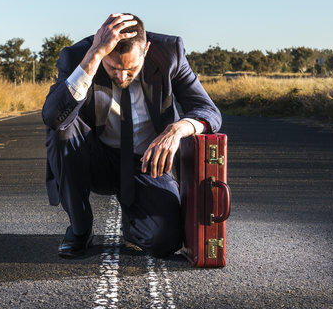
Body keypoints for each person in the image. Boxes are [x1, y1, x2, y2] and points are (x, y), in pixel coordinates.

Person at [42, 13, 222, 258]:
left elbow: (208, 111)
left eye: (131, 69)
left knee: (163, 242)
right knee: (63, 127)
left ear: (146, 49)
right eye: (113, 67)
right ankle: (80, 228)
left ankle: (134, 226)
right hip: (93, 160)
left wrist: (178, 129)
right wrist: (94, 56)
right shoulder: (78, 56)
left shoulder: (170, 53)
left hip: (147, 162)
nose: (122, 77)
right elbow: (52, 116)